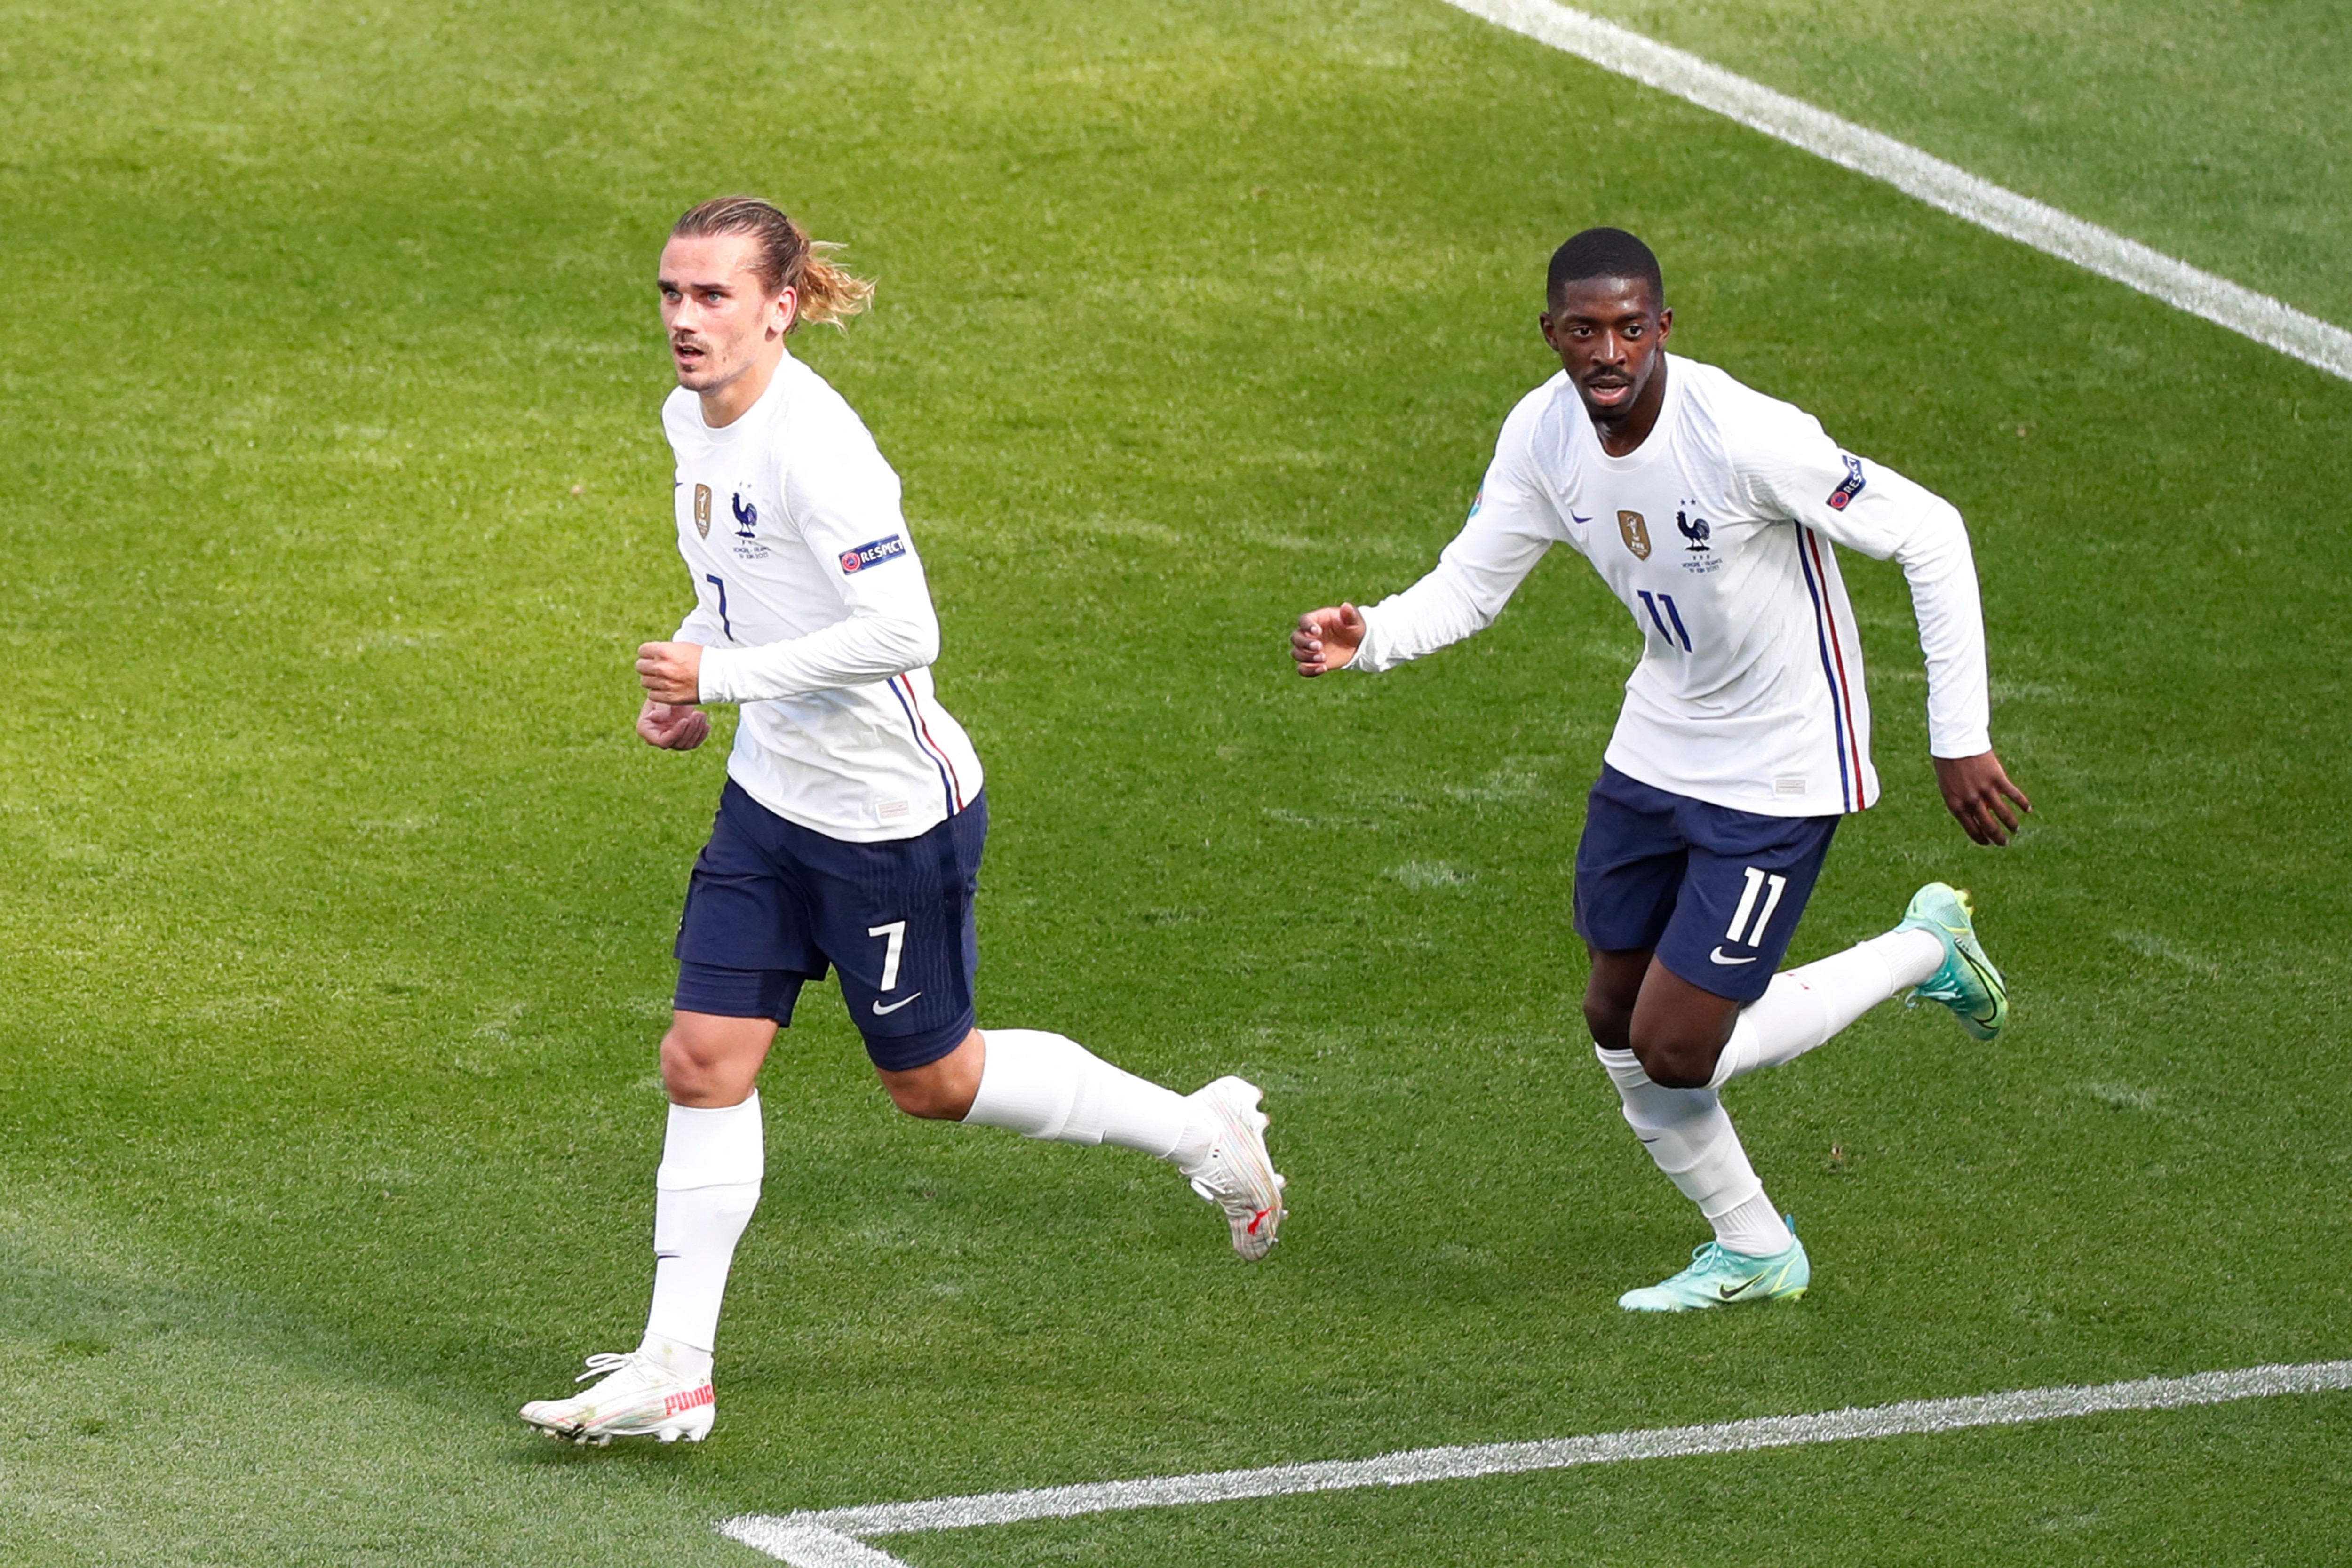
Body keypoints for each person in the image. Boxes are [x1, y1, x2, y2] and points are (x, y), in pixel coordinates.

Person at [522, 197, 1285, 1445]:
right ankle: (676, 1362)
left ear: (779, 306)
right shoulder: (688, 420)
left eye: (712, 296)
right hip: (771, 802)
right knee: (702, 1058)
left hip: (886, 819)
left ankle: (1204, 1129)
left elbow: (904, 632)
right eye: (670, 293)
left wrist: (716, 679)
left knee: (935, 1080)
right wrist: (702, 681)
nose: (682, 319)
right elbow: (743, 588)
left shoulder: (820, 449)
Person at [1290, 227, 2026, 1312]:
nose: (1608, 350)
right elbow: (1473, 583)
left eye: (1630, 327)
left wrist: (1956, 734)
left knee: (1676, 1046)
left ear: (1664, 328)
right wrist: (1376, 634)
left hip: (1780, 763)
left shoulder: (1741, 433)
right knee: (1612, 1014)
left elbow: (1931, 531)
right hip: (1660, 737)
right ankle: (1756, 1246)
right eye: (1583, 329)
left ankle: (1926, 947)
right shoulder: (1542, 435)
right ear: (1549, 334)